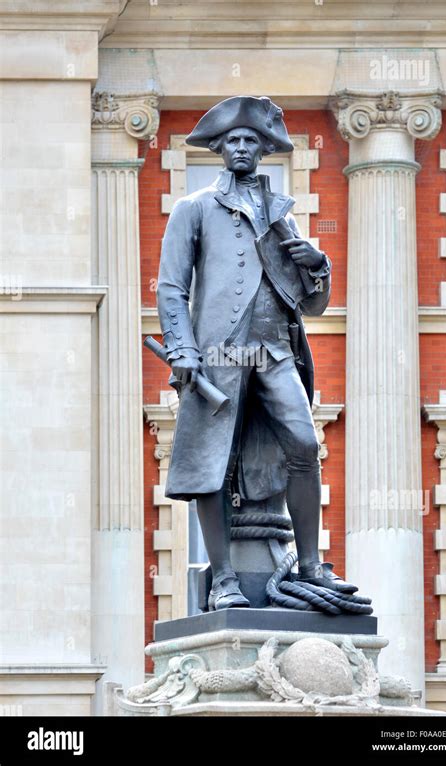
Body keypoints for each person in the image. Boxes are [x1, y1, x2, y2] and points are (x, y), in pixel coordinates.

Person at [157, 96, 357, 610]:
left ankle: (311, 565)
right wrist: (182, 348)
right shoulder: (194, 208)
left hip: (273, 350)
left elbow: (310, 303)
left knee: (304, 445)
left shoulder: (279, 214)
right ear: (220, 149)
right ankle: (223, 578)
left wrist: (319, 264)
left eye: (252, 141)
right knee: (211, 461)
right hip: (219, 355)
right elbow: (171, 287)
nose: (242, 148)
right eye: (233, 141)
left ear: (264, 149)